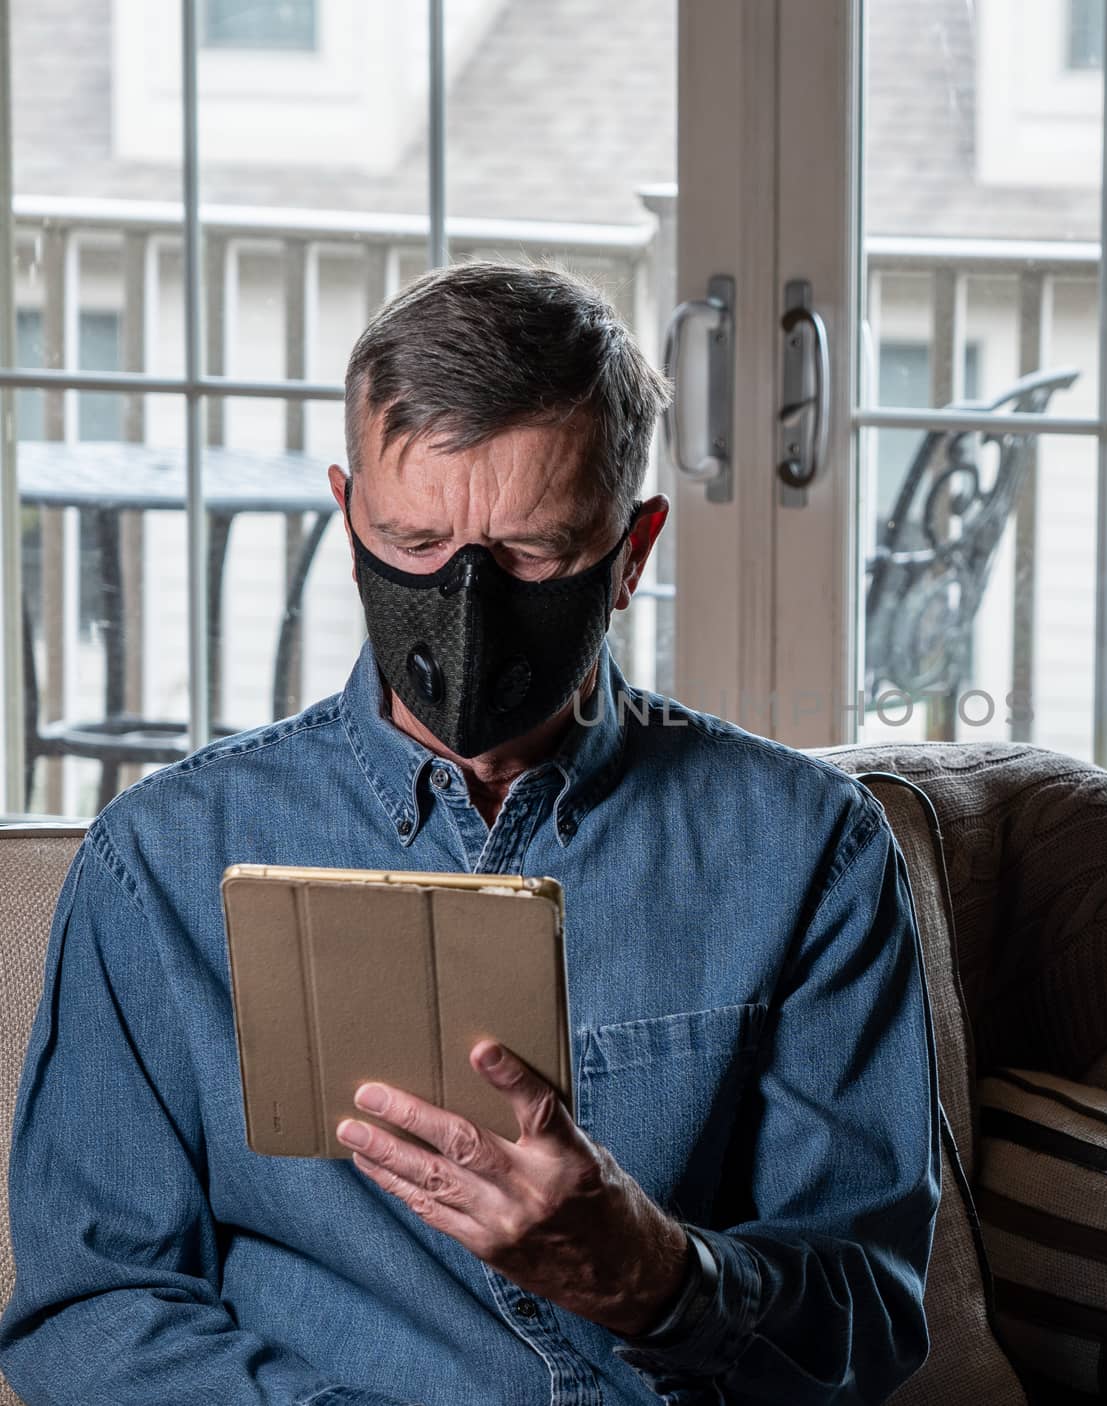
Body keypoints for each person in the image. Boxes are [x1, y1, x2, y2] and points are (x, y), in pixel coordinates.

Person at [0, 261, 939, 1405]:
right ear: (349, 516)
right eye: (412, 545)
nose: (465, 604)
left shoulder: (805, 848)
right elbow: (94, 1303)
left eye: (533, 555)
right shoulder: (163, 860)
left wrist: (659, 1275)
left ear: (631, 551)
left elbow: (872, 1316)